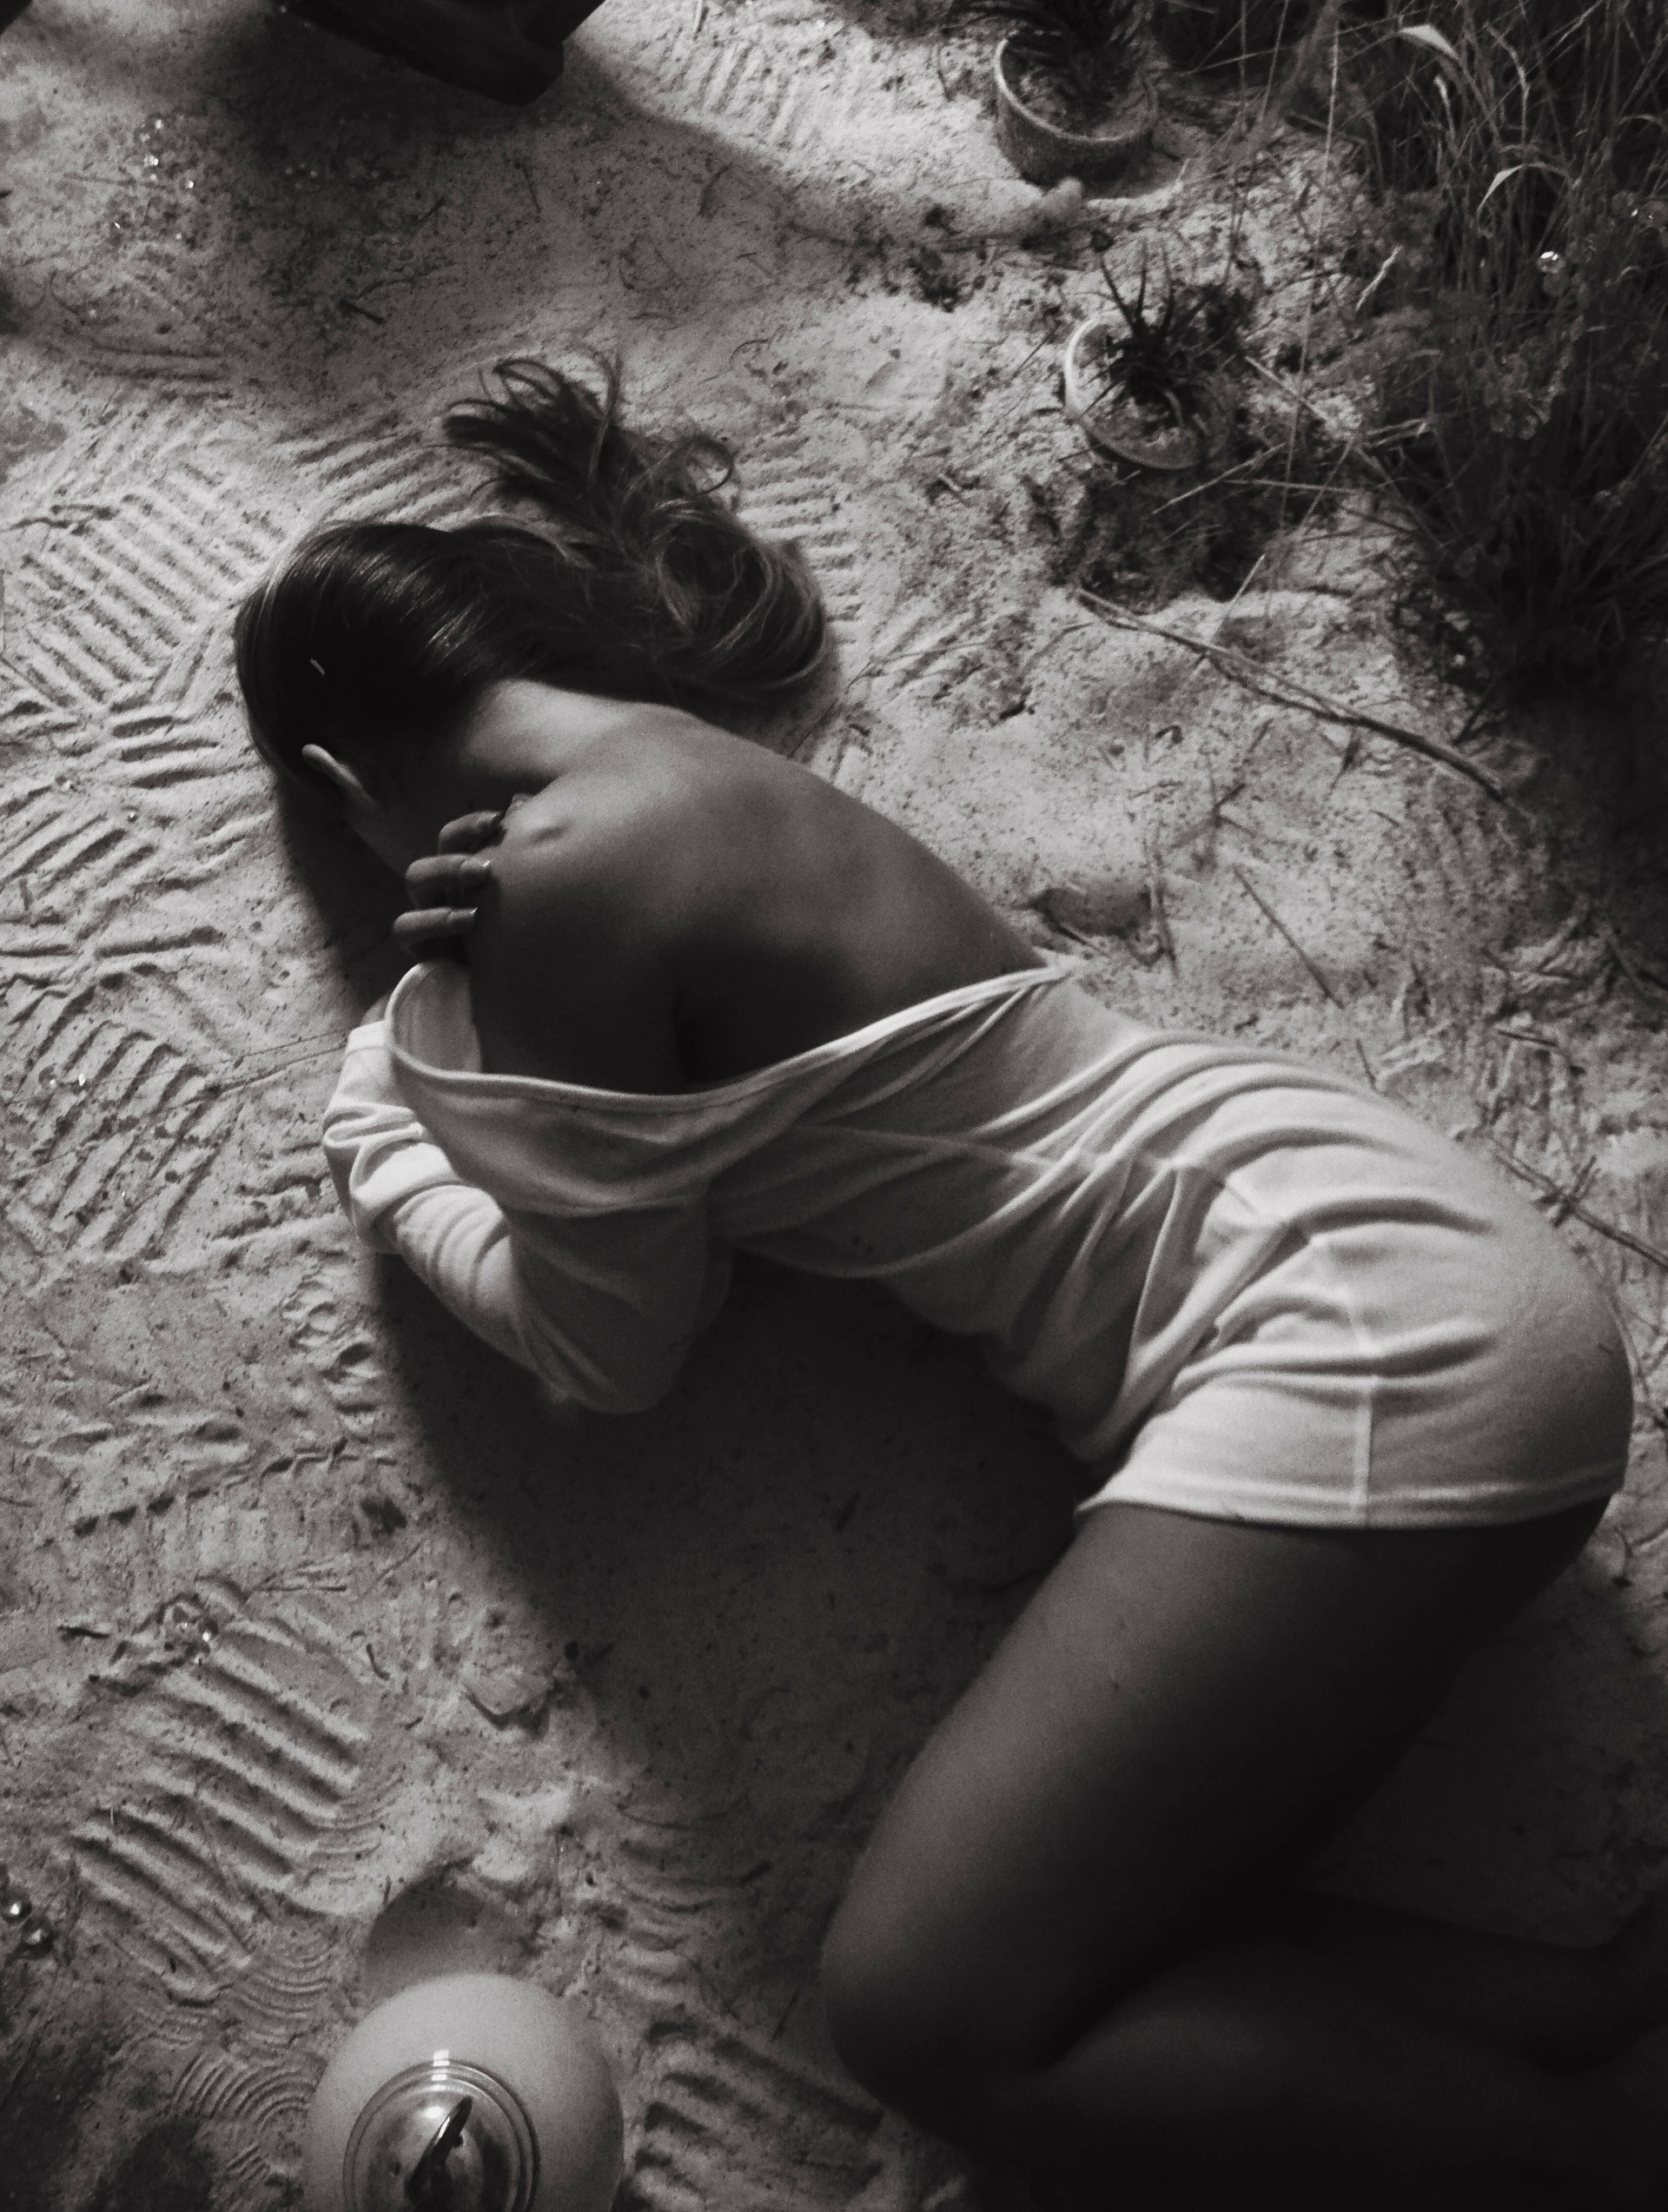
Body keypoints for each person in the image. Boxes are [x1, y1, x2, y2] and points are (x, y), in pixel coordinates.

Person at [235, 359, 1659, 2209]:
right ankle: (1595, 2007)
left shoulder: (557, 874)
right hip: (1409, 1267)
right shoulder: (689, 768)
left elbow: (608, 1344)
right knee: (1093, 1937)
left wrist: (397, 1113)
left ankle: (1605, 2161)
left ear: (345, 786)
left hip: (1354, 1349)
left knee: (928, 2011)